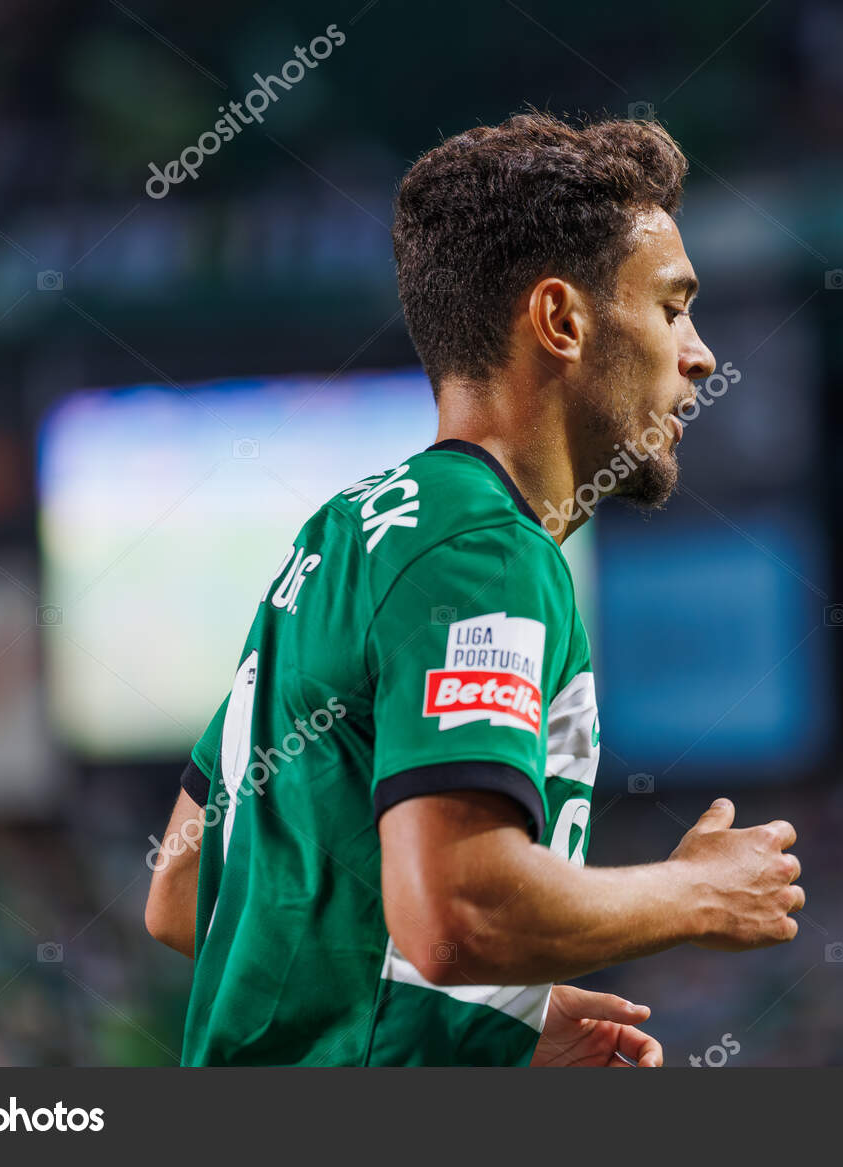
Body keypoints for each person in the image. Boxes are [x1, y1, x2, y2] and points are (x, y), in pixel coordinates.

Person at [145, 111, 803, 1067]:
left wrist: (494, 1016)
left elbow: (184, 890)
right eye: (671, 307)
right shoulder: (485, 552)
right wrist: (696, 892)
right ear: (562, 321)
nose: (699, 352)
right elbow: (454, 910)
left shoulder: (340, 531)